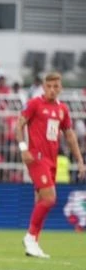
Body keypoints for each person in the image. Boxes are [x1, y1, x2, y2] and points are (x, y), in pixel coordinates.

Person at [16, 72, 85, 258]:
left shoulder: (62, 109)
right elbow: (19, 125)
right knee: (49, 198)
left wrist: (80, 161)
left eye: (56, 87)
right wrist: (23, 149)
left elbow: (70, 136)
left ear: (60, 88)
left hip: (51, 159)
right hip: (36, 158)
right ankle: (30, 238)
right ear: (44, 87)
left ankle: (33, 243)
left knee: (41, 200)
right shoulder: (34, 104)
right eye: (49, 86)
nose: (52, 90)